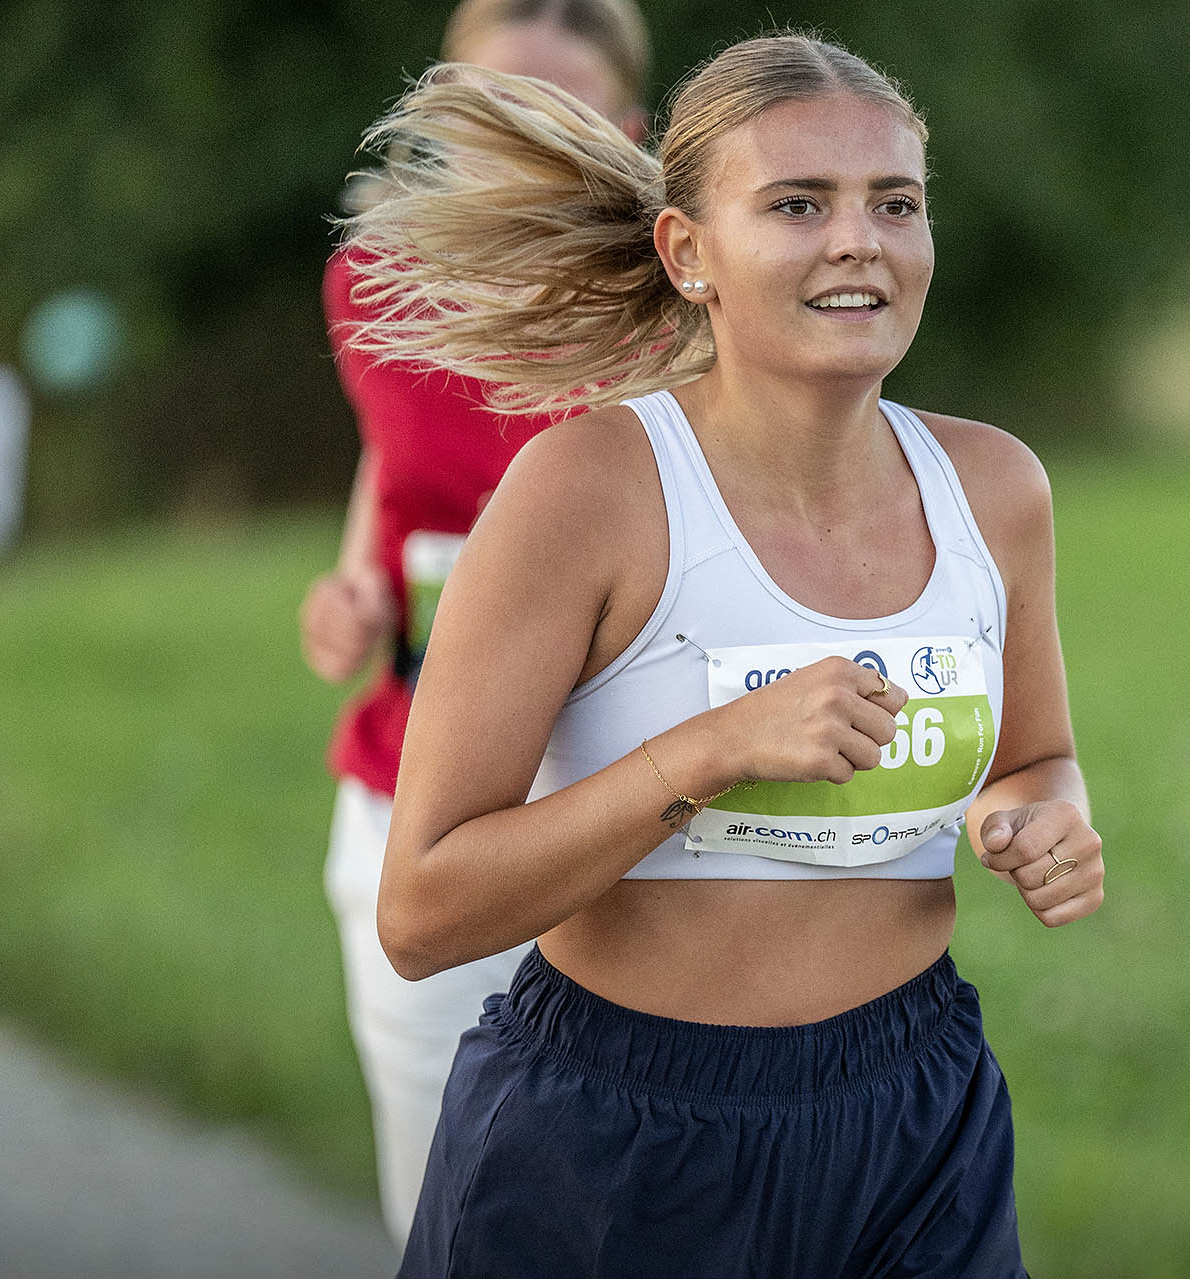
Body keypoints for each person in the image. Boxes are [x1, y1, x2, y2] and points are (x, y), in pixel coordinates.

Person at [345, 31, 1105, 1276]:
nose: (859, 241)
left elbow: (1037, 756)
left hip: (917, 1117)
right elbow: (423, 911)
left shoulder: (995, 487)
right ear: (687, 251)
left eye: (895, 203)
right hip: (616, 1137)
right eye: (798, 204)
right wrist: (709, 753)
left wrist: (1043, 818)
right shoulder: (587, 490)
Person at [298, 0, 651, 1246]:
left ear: (628, 130)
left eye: (560, 115)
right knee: (450, 1211)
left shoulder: (683, 296)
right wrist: (356, 590)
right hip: (418, 801)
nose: (523, 145)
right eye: (496, 114)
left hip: (631, 816)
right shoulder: (371, 283)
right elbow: (392, 468)